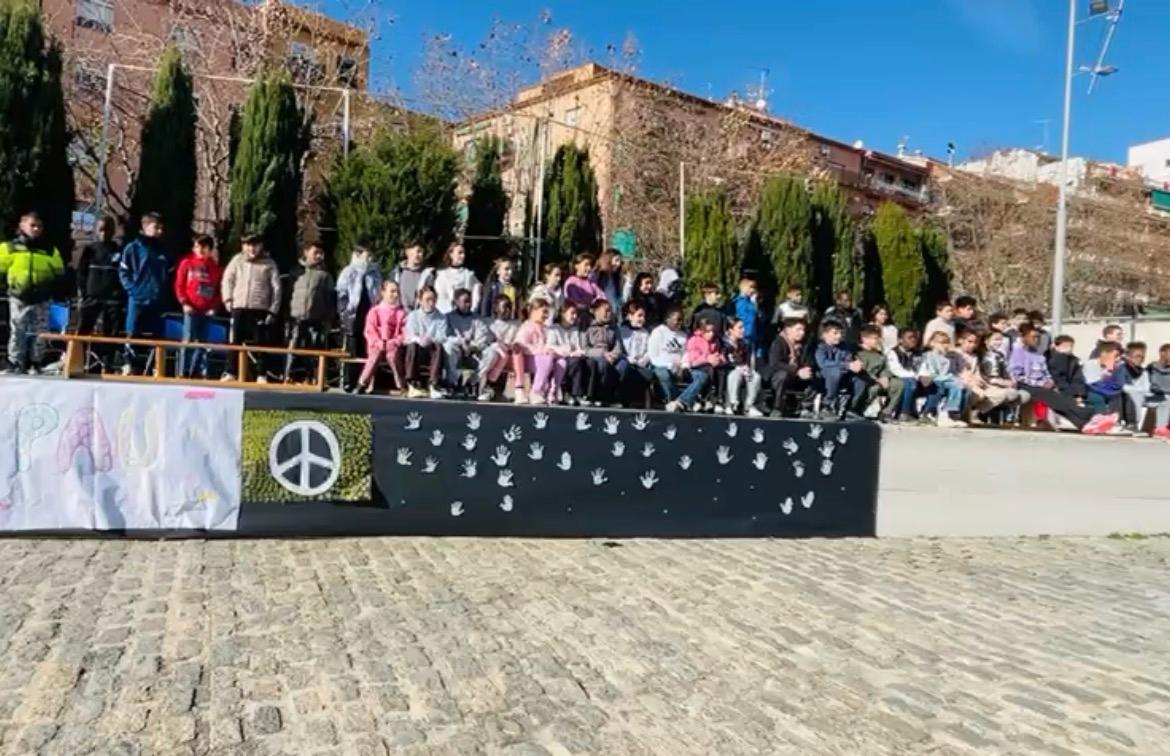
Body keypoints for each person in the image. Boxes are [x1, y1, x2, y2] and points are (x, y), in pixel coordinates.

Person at [1009, 323, 1115, 434]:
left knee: (1059, 399)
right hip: (1025, 385)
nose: (1037, 340)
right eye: (1033, 337)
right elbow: (1017, 375)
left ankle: (1083, 424)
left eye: (1038, 337)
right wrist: (1039, 383)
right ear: (1024, 337)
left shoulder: (1037, 354)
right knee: (1050, 395)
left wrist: (1049, 380)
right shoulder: (1018, 352)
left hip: (1041, 385)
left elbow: (1045, 372)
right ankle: (1089, 414)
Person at [0, 211, 64, 374]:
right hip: (19, 296)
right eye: (32, 225)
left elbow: (59, 272)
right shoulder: (9, 248)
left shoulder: (49, 250)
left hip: (42, 298)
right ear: (22, 226)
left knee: (40, 332)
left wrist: (57, 290)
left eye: (39, 226)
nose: (36, 229)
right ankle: (15, 362)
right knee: (17, 330)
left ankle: (36, 362)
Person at [220, 234, 282, 383]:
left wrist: (273, 310)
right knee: (234, 340)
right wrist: (228, 299)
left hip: (260, 308)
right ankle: (230, 372)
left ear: (261, 246)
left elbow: (276, 288)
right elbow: (227, 280)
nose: (252, 248)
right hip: (239, 306)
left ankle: (261, 374)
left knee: (261, 342)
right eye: (248, 245)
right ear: (243, 246)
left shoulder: (269, 263)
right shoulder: (237, 260)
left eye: (255, 245)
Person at [118, 212, 171, 375]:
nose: (160, 231)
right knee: (133, 331)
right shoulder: (133, 248)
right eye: (156, 227)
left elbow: (169, 274)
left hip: (158, 300)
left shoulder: (163, 250)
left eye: (161, 228)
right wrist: (134, 291)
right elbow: (124, 272)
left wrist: (163, 292)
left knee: (158, 334)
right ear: (145, 227)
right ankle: (129, 364)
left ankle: (156, 366)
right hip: (137, 299)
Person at [174, 235, 223, 379]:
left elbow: (218, 291)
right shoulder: (187, 263)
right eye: (197, 247)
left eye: (204, 247)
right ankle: (183, 372)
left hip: (206, 311)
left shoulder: (216, 268)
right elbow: (179, 285)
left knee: (202, 342)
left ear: (210, 249)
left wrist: (214, 307)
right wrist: (184, 303)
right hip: (190, 308)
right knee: (188, 340)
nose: (200, 250)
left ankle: (195, 371)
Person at [284, 243, 335, 382]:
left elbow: (330, 299)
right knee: (294, 345)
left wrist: (328, 319)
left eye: (321, 253)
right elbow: (288, 294)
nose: (318, 256)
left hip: (317, 318)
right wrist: (287, 313)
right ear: (306, 252)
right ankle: (289, 374)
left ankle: (312, 376)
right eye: (315, 252)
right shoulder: (296, 271)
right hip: (297, 316)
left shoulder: (325, 275)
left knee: (314, 347)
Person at [443, 287, 498, 401]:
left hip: (473, 354)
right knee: (449, 346)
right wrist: (460, 342)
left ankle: (473, 382)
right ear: (456, 302)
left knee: (492, 352)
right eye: (465, 301)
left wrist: (472, 346)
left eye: (470, 302)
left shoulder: (477, 319)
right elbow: (446, 336)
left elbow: (483, 338)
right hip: (456, 352)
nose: (468, 304)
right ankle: (453, 382)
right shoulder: (448, 317)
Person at [76, 215, 123, 343]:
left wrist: (118, 293)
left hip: (112, 298)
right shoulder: (90, 250)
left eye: (108, 230)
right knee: (83, 330)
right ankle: (80, 354)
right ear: (96, 230)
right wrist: (84, 293)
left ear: (113, 231)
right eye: (101, 229)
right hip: (92, 297)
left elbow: (123, 273)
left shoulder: (118, 250)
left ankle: (107, 355)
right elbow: (81, 273)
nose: (104, 233)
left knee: (111, 333)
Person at [336, 245, 382, 371]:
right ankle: (348, 377)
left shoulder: (375, 273)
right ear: (358, 254)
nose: (370, 258)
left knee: (367, 348)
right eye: (367, 255)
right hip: (352, 315)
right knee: (351, 348)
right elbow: (341, 294)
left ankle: (365, 377)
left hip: (370, 313)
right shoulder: (348, 271)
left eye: (371, 255)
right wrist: (344, 313)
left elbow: (379, 293)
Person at [357, 280, 406, 393]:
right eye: (392, 291)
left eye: (397, 292)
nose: (395, 294)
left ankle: (401, 384)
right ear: (383, 293)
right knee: (375, 355)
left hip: (393, 345)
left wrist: (395, 342)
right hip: (377, 344)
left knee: (393, 357)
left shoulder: (401, 313)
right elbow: (370, 330)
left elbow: (404, 333)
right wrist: (377, 342)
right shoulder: (375, 311)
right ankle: (363, 382)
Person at [403, 286, 448, 399]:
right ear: (420, 300)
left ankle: (433, 384)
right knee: (412, 346)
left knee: (438, 346)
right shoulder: (413, 315)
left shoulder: (441, 317)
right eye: (427, 300)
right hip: (418, 349)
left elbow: (442, 336)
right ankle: (412, 384)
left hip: (432, 349)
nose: (431, 303)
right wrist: (419, 339)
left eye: (433, 299)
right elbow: (410, 335)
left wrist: (430, 339)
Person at [814, 321, 865, 420]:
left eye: (841, 333)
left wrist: (855, 365)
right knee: (834, 373)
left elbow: (848, 360)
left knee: (859, 380)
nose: (839, 336)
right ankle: (827, 405)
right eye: (835, 333)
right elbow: (823, 363)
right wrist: (846, 365)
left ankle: (851, 408)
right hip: (823, 375)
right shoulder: (820, 347)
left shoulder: (844, 347)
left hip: (843, 374)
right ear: (825, 334)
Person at [764, 318, 813, 418]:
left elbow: (808, 361)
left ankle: (807, 407)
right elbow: (775, 363)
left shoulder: (804, 345)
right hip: (779, 376)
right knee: (782, 375)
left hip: (797, 377)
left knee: (816, 375)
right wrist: (797, 371)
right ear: (788, 330)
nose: (802, 333)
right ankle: (777, 407)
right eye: (798, 330)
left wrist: (807, 369)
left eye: (803, 330)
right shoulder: (778, 342)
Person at [676, 317, 725, 413]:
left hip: (710, 368)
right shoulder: (694, 340)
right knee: (703, 375)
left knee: (719, 372)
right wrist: (708, 358)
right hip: (694, 368)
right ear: (701, 331)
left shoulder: (716, 341)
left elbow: (720, 355)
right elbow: (693, 360)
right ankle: (689, 400)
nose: (711, 334)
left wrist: (718, 359)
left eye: (712, 331)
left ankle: (714, 399)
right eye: (708, 331)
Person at [918, 332, 967, 428]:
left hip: (944, 378)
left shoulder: (947, 358)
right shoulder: (929, 356)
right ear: (932, 343)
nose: (945, 345)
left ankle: (950, 411)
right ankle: (930, 413)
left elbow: (948, 372)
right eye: (942, 342)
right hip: (931, 379)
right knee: (947, 384)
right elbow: (931, 372)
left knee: (958, 385)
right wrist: (948, 378)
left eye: (947, 343)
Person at [513, 298, 555, 405]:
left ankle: (551, 391)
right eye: (544, 312)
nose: (546, 316)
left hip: (542, 358)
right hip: (528, 359)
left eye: (547, 312)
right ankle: (535, 391)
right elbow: (520, 344)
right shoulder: (527, 327)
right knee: (546, 358)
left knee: (557, 360)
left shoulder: (546, 329)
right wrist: (540, 350)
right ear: (533, 311)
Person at [549, 302, 590, 405]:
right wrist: (567, 350)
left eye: (576, 314)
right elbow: (551, 346)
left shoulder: (574, 330)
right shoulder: (554, 329)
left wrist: (579, 352)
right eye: (572, 313)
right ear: (563, 314)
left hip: (572, 357)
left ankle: (581, 394)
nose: (575, 316)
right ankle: (570, 393)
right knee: (574, 362)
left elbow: (577, 347)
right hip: (559, 357)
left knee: (586, 361)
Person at [583, 298, 622, 406]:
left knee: (623, 365)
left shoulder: (613, 328)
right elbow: (585, 348)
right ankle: (600, 396)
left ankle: (615, 396)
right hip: (595, 355)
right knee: (602, 364)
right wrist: (603, 354)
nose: (609, 314)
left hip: (610, 356)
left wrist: (614, 355)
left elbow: (618, 346)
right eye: (606, 311)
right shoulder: (589, 328)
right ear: (596, 311)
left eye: (610, 311)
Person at [648, 306, 688, 407]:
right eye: (678, 319)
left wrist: (683, 366)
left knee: (698, 374)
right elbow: (653, 357)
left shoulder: (683, 335)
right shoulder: (658, 332)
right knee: (663, 374)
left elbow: (686, 354)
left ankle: (690, 399)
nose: (680, 322)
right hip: (660, 366)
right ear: (667, 319)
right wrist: (670, 365)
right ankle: (676, 400)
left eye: (682, 320)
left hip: (679, 368)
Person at [723, 317, 762, 417]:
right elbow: (725, 361)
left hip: (743, 370)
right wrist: (737, 367)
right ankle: (732, 403)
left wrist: (747, 368)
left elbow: (747, 361)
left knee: (755, 376)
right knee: (735, 375)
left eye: (743, 327)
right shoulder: (723, 344)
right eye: (740, 328)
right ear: (730, 330)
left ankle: (749, 406)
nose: (743, 330)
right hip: (728, 371)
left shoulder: (744, 344)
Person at [617, 301, 654, 406]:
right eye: (639, 316)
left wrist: (642, 361)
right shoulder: (622, 331)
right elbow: (619, 349)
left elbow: (649, 351)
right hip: (626, 362)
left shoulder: (645, 333)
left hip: (640, 364)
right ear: (630, 316)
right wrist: (627, 358)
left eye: (644, 316)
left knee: (647, 374)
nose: (642, 319)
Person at [854, 324, 893, 418]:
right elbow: (861, 370)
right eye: (875, 338)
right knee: (874, 387)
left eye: (878, 338)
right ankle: (856, 409)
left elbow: (885, 368)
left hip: (878, 380)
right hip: (864, 379)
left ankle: (886, 412)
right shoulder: (857, 352)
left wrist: (885, 377)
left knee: (898, 384)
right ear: (864, 339)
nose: (878, 341)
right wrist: (877, 379)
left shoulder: (879, 354)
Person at [484, 297, 519, 400]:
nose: (507, 310)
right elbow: (488, 340)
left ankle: (498, 390)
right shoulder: (489, 323)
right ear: (496, 308)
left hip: (509, 353)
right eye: (505, 307)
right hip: (493, 352)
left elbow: (517, 340)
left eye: (509, 307)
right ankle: (488, 385)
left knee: (505, 355)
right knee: (499, 354)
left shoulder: (515, 324)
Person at [432, 242, 482, 315]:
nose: (463, 256)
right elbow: (440, 297)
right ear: (451, 254)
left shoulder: (468, 274)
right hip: (447, 314)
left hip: (466, 314)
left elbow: (476, 294)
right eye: (460, 253)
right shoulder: (442, 275)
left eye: (464, 253)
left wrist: (471, 310)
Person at [885, 328, 922, 422]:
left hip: (915, 378)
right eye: (909, 337)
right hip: (896, 378)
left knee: (935, 385)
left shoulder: (918, 353)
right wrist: (913, 375)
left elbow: (922, 366)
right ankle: (904, 413)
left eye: (915, 337)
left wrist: (922, 376)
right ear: (900, 340)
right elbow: (895, 369)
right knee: (909, 384)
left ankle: (926, 413)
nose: (913, 340)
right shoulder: (893, 352)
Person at [389, 242, 435, 311]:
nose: (421, 254)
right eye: (418, 251)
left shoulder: (428, 275)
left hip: (419, 314)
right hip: (398, 313)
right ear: (408, 252)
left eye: (422, 252)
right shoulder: (397, 272)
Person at [728, 276, 762, 357]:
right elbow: (742, 318)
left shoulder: (750, 302)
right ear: (744, 288)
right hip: (744, 335)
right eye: (751, 287)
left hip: (752, 335)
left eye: (754, 288)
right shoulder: (739, 302)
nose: (753, 290)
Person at [1047, 335, 1086, 403]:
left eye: (1071, 346)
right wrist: (1072, 395)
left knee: (1096, 398)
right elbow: (1058, 380)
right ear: (1056, 347)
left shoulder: (1074, 360)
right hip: (1058, 391)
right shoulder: (1051, 359)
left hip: (1073, 390)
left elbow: (1078, 378)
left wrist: (1079, 394)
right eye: (1065, 346)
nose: (1069, 348)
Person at [1145, 344, 1170, 439]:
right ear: (1162, 353)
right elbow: (1150, 384)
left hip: (1165, 396)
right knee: (1167, 399)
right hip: (1152, 395)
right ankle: (1160, 429)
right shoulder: (1152, 367)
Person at [594, 249, 625, 314]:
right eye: (616, 260)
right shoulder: (600, 275)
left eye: (620, 261)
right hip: (603, 312)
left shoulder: (616, 277)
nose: (619, 264)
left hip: (615, 313)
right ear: (608, 260)